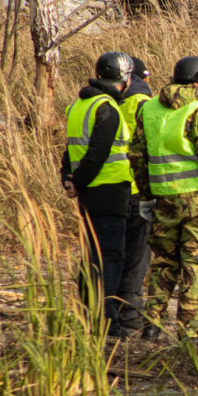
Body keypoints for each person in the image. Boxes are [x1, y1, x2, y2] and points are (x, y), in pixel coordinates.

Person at [129, 56, 198, 341]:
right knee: (193, 265)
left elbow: (137, 155)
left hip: (163, 199)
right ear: (197, 81)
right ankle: (188, 331)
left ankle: (152, 325)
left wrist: (146, 196)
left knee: (163, 263)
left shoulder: (148, 108)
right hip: (197, 203)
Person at [61, 52, 135, 339]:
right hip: (109, 191)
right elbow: (98, 153)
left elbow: (70, 150)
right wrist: (77, 182)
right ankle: (106, 320)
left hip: (89, 193)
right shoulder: (107, 108)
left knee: (92, 255)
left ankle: (86, 315)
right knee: (110, 257)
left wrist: (69, 179)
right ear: (125, 79)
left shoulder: (78, 105)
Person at [115, 55, 154, 335]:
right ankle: (129, 313)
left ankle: (105, 310)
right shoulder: (145, 104)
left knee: (110, 253)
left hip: (108, 188)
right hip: (138, 189)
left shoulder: (104, 102)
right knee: (137, 255)